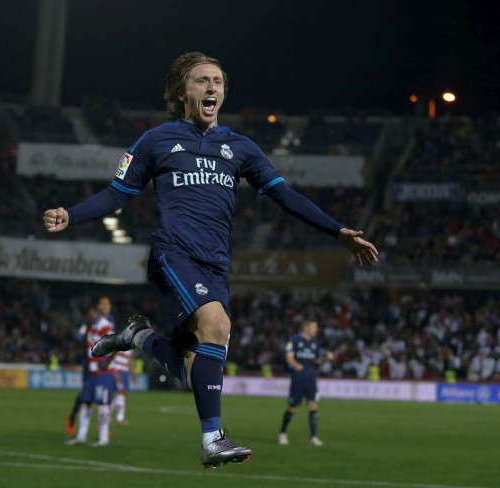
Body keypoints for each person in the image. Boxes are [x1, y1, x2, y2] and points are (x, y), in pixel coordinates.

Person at [43, 52, 378, 467]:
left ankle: (138, 337)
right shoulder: (156, 140)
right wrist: (70, 214)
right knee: (218, 326)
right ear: (182, 93)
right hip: (174, 253)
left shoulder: (241, 148)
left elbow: (285, 195)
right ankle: (212, 439)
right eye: (202, 81)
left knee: (193, 370)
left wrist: (337, 231)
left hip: (216, 265)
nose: (212, 88)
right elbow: (117, 194)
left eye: (218, 81)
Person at [66, 299, 116, 447]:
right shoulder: (92, 327)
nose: (89, 316)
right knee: (86, 403)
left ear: (97, 313)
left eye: (91, 314)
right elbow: (84, 344)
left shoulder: (104, 326)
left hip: (103, 373)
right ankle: (81, 436)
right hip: (91, 372)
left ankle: (103, 437)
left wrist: (106, 362)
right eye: (88, 314)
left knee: (102, 405)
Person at [279, 320, 333, 447]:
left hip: (311, 379)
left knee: (313, 405)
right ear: (305, 327)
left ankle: (313, 437)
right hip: (298, 379)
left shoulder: (315, 343)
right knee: (292, 406)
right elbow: (289, 357)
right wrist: (295, 365)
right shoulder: (294, 340)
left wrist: (326, 358)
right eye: (314, 327)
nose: (316, 329)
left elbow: (317, 362)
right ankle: (283, 432)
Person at [110, 348, 136, 425]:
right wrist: (114, 371)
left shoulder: (131, 347)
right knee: (122, 393)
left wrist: (133, 374)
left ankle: (114, 416)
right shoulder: (118, 342)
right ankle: (119, 418)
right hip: (117, 371)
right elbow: (112, 356)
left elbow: (131, 360)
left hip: (124, 372)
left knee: (123, 394)